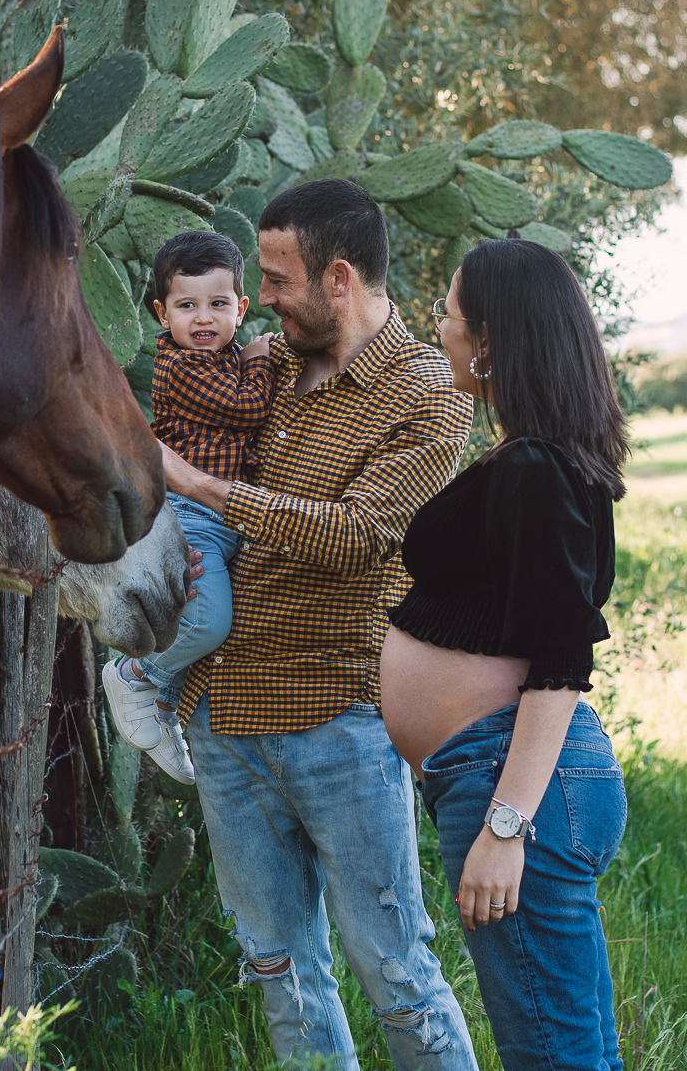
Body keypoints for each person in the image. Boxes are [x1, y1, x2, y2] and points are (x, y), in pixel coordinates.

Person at [158, 179, 480, 1071]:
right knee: (281, 973)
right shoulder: (268, 364)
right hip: (223, 717)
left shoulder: (426, 394)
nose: (258, 299)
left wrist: (199, 485)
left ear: (338, 277)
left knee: (397, 973)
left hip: (337, 719)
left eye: (275, 277)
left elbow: (360, 537)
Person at [382, 239, 629, 1071]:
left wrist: (504, 826)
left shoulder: (533, 467)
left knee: (552, 1058)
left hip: (516, 781)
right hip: (515, 775)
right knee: (576, 1051)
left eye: (448, 314)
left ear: (488, 339)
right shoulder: (537, 458)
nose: (438, 328)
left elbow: (560, 657)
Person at [104, 231, 274, 784]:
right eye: (187, 305)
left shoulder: (220, 357)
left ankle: (163, 702)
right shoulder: (179, 365)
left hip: (226, 517)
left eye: (218, 304)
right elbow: (246, 408)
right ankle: (135, 676)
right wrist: (261, 359)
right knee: (207, 622)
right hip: (190, 512)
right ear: (162, 312)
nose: (204, 318)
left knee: (208, 622)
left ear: (240, 307)